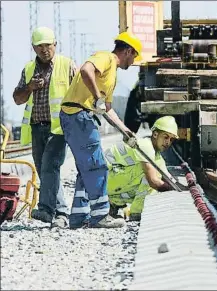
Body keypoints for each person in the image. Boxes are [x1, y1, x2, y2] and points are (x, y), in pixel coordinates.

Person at [59, 31, 142, 229]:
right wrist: (97, 97)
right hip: (78, 115)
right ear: (128, 51)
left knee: (86, 169)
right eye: (134, 56)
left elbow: (108, 109)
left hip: (78, 116)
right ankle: (100, 216)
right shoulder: (106, 58)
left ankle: (79, 216)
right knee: (97, 166)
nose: (133, 62)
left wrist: (126, 131)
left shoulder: (111, 75)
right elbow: (85, 70)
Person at [12, 27, 77, 228]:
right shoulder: (29, 69)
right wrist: (29, 87)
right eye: (40, 46)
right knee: (45, 170)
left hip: (58, 127)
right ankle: (60, 214)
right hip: (36, 127)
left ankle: (48, 209)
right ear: (34, 48)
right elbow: (17, 99)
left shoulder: (67, 65)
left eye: (48, 45)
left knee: (50, 165)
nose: (44, 49)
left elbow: (79, 92)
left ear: (55, 45)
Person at [104, 116, 188, 221]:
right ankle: (136, 212)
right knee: (152, 177)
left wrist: (187, 191)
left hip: (114, 180)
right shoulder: (145, 145)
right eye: (165, 137)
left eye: (171, 139)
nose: (168, 142)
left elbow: (170, 180)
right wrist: (173, 190)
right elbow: (153, 181)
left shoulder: (157, 157)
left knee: (157, 181)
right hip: (103, 179)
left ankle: (114, 201)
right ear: (155, 134)